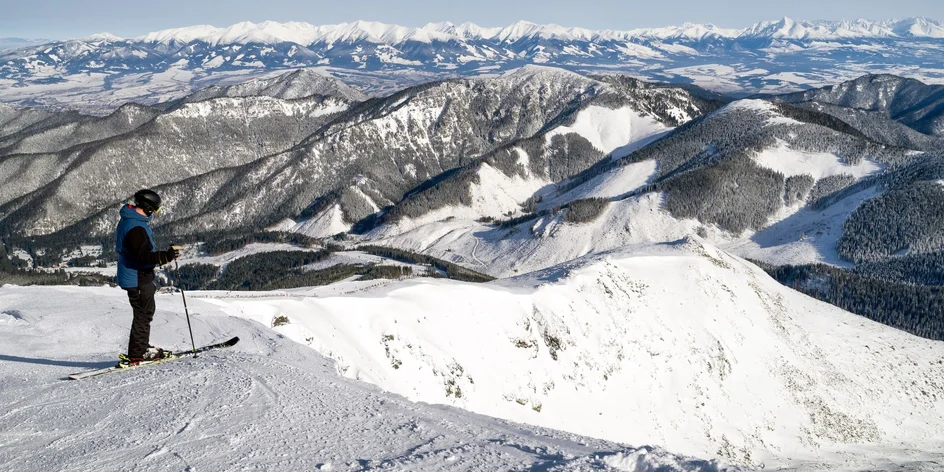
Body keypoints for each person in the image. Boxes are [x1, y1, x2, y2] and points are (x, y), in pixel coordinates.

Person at [115, 189, 180, 365]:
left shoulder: (132, 221)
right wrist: (165, 257)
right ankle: (137, 354)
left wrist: (165, 256)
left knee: (145, 313)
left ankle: (141, 348)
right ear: (149, 208)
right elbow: (142, 257)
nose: (156, 213)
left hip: (138, 276)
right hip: (137, 277)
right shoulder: (136, 227)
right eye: (156, 210)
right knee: (143, 315)